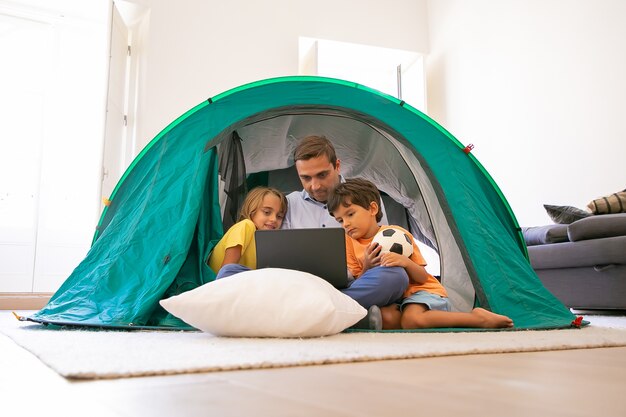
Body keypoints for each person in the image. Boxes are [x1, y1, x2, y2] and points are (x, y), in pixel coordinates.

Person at [327, 178, 514, 330]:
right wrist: (367, 265)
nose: (346, 224)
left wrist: (405, 263)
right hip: (396, 298)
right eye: (340, 220)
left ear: (372, 209)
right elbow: (363, 282)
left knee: (412, 320)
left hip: (421, 291)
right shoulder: (348, 242)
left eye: (350, 214)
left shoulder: (396, 235)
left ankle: (475, 318)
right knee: (387, 318)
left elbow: (422, 276)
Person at [282, 135, 388, 229]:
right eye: (306, 178)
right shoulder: (288, 204)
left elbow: (384, 242)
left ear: (337, 166)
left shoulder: (365, 195)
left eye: (322, 175)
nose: (315, 186)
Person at [208, 186, 287, 279]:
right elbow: (226, 272)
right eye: (267, 212)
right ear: (251, 210)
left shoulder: (265, 242)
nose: (274, 219)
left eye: (279, 216)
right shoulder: (246, 226)